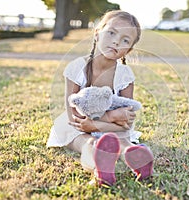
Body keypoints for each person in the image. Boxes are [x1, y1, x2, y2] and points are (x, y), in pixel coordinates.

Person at [47, 10, 154, 186]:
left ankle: (135, 156)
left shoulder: (124, 75)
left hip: (110, 129)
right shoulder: (77, 68)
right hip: (78, 127)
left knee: (121, 138)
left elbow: (126, 122)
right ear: (97, 33)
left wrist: (101, 124)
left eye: (125, 40)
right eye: (111, 33)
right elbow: (74, 117)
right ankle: (100, 169)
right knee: (86, 141)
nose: (116, 42)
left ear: (129, 49)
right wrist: (110, 117)